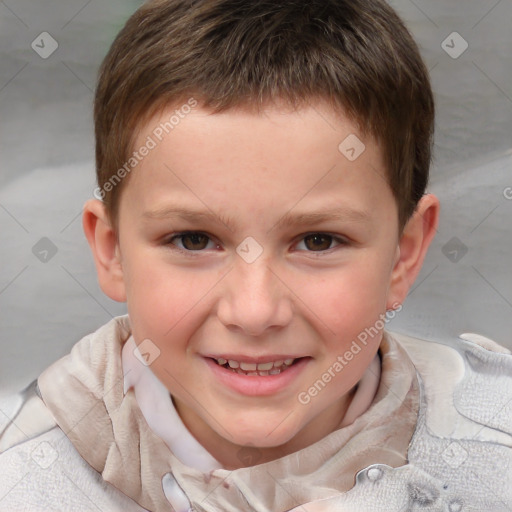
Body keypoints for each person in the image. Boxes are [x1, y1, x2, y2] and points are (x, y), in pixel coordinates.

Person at [1, 0, 511, 510]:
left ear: (404, 254)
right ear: (111, 251)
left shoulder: (497, 463)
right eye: (193, 240)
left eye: (318, 241)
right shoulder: (21, 483)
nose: (254, 311)